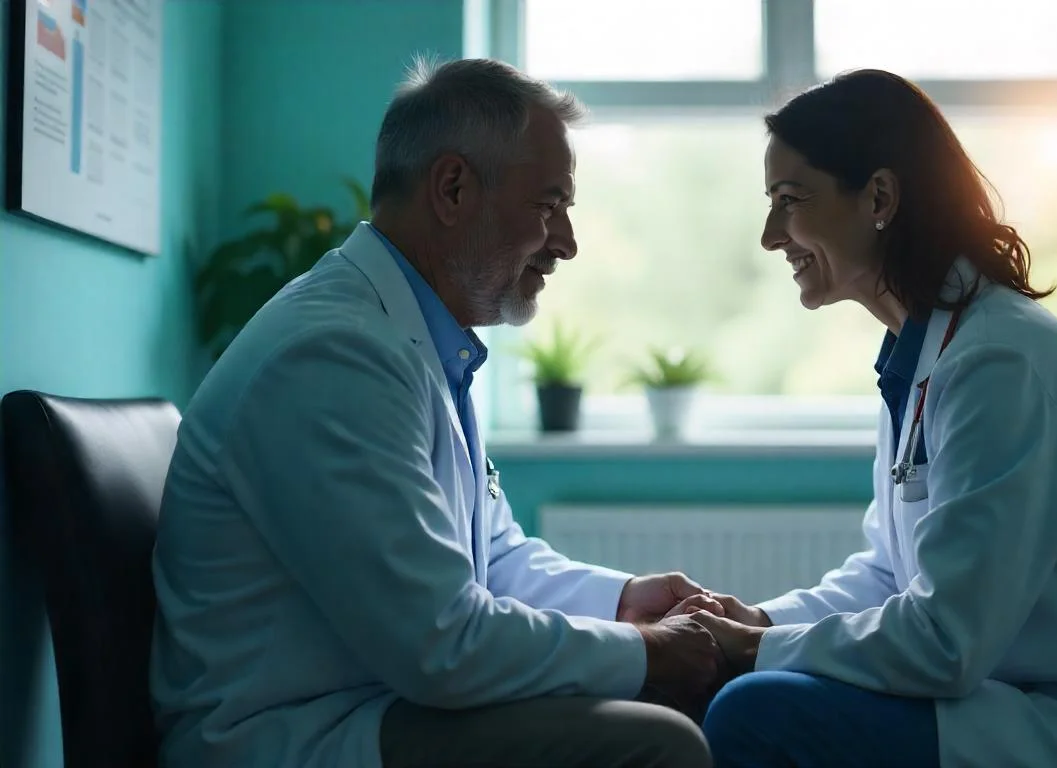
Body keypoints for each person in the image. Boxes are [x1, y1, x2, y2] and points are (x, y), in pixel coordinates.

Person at [150, 57, 723, 768]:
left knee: (671, 700)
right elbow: (443, 644)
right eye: (548, 206)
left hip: (369, 703)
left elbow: (493, 560)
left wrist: (624, 602)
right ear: (452, 188)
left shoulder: (408, 340)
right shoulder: (334, 356)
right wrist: (646, 652)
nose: (568, 242)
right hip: (289, 737)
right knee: (658, 739)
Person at [677, 69, 1057, 767]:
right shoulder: (925, 350)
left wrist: (756, 652)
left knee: (754, 712)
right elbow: (891, 575)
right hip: (1037, 695)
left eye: (790, 201)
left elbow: (946, 641)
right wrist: (760, 622)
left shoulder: (1002, 364)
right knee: (741, 691)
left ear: (879, 197)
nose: (770, 236)